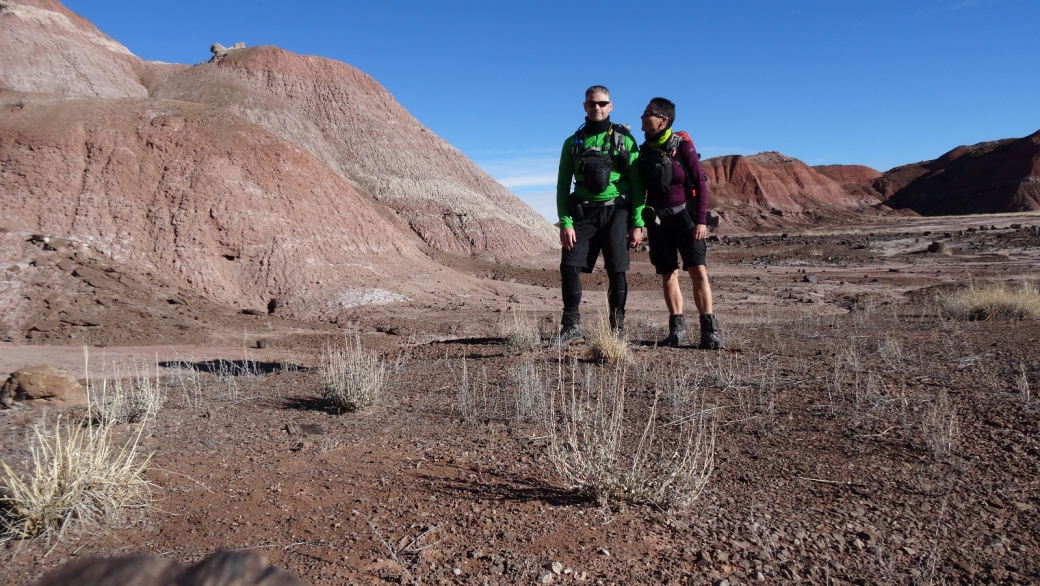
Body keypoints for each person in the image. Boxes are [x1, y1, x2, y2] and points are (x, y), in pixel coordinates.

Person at [555, 85, 645, 343]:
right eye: (592, 103)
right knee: (569, 267)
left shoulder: (625, 140)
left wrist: (637, 222)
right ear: (584, 106)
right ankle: (571, 327)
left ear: (610, 106)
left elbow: (638, 184)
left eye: (602, 103)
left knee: (617, 271)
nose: (597, 107)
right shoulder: (572, 143)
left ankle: (617, 329)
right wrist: (565, 222)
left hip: (617, 212)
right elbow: (563, 185)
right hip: (582, 213)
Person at [636, 97, 723, 349]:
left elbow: (700, 184)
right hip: (659, 224)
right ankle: (677, 330)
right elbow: (641, 191)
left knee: (697, 270)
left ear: (663, 121)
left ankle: (710, 330)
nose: (642, 116)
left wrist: (701, 221)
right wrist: (639, 222)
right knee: (668, 275)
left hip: (686, 220)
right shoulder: (643, 151)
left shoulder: (682, 146)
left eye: (648, 113)